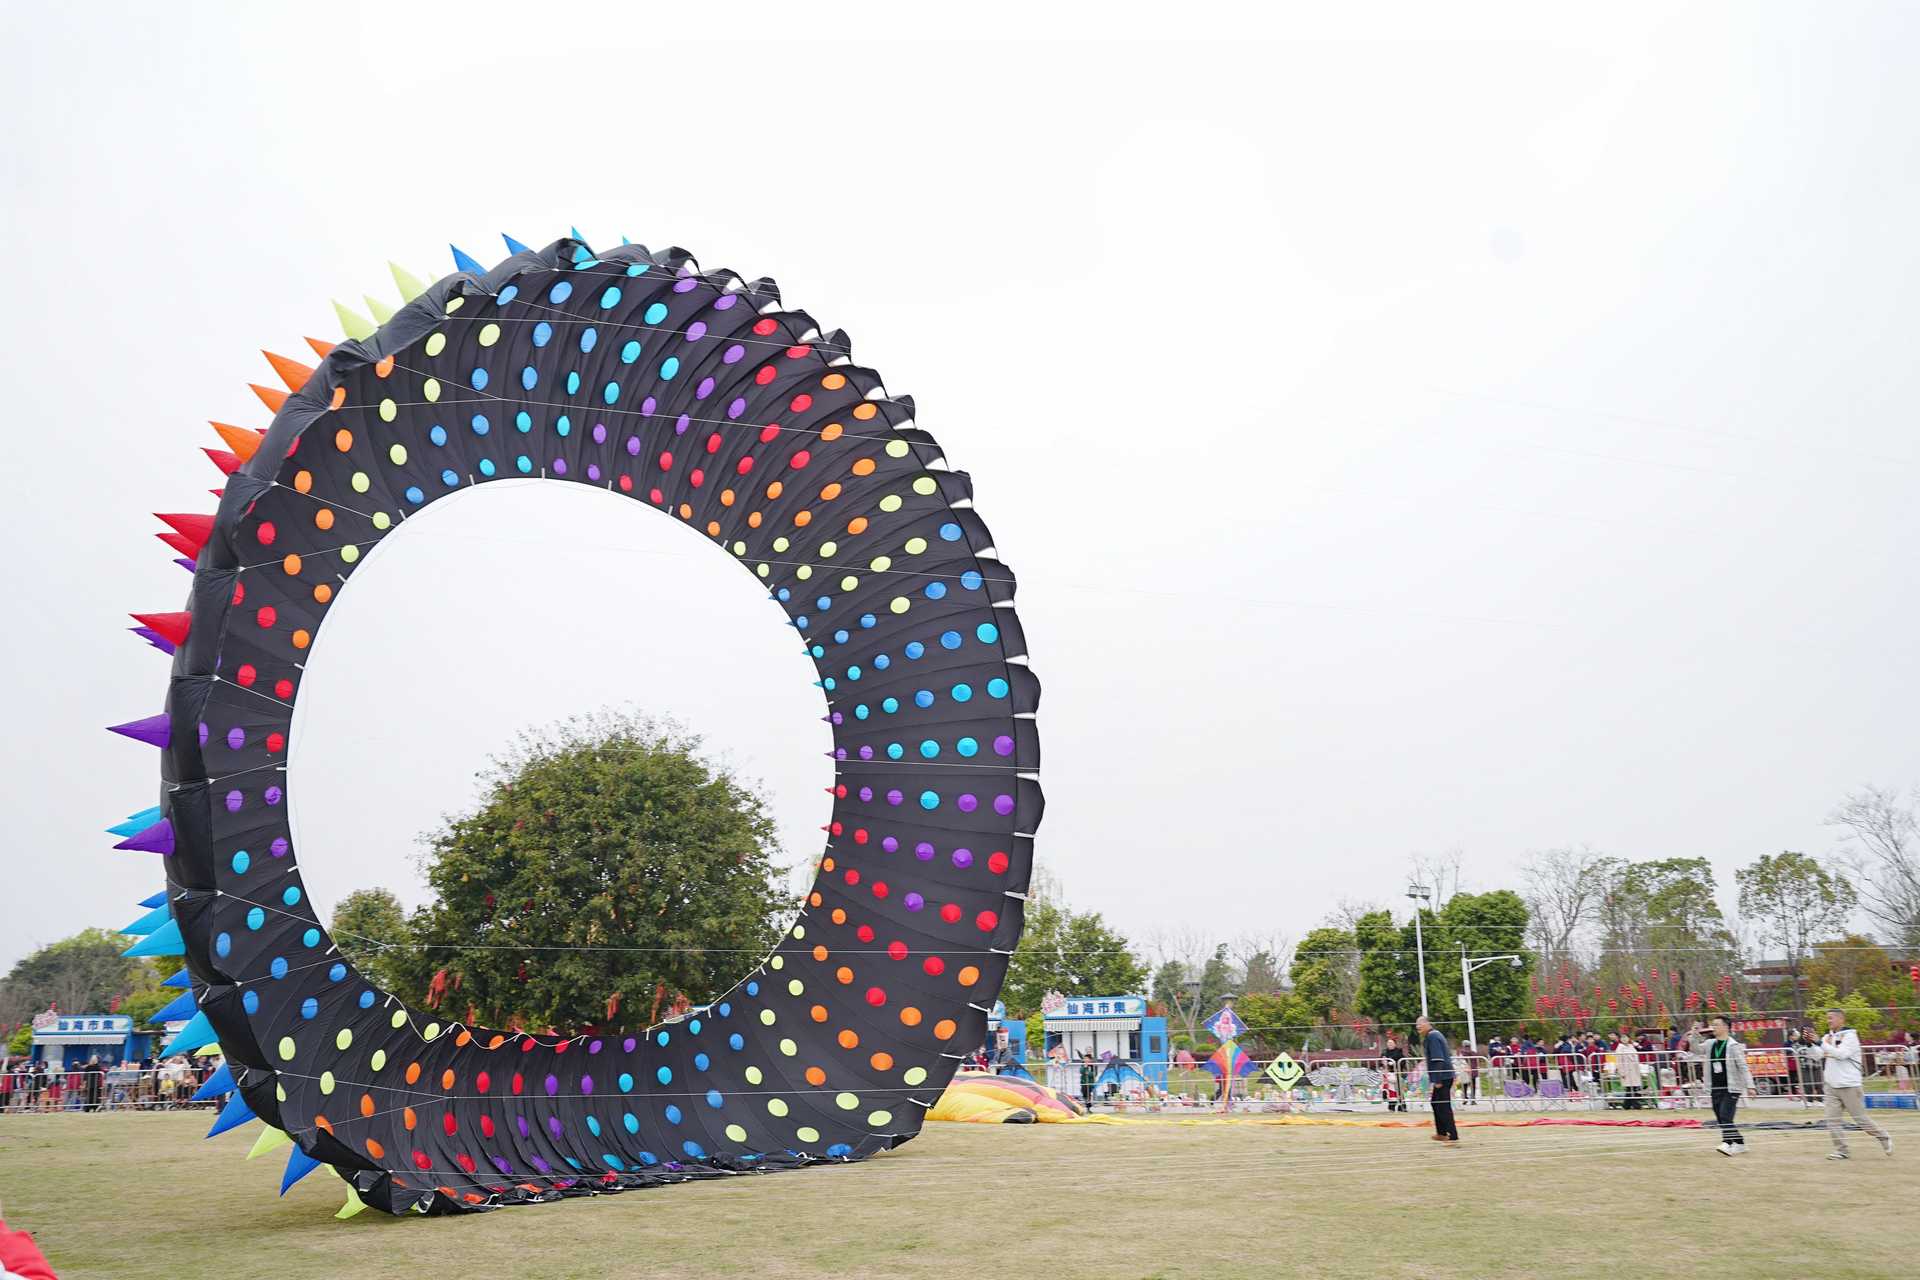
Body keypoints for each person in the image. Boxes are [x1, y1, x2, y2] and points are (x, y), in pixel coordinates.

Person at [1817, 1007, 1893, 1160]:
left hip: (1849, 1085)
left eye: (1831, 1018)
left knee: (1861, 1120)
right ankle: (1842, 1151)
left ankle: (1883, 1137)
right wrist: (1809, 1045)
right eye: (1827, 1018)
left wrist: (1820, 1043)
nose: (1828, 1021)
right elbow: (1818, 1055)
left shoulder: (1850, 1036)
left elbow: (1841, 1054)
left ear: (1841, 1019)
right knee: (1832, 1121)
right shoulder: (1827, 1037)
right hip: (1831, 1085)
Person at [1703, 1014, 1751, 1155]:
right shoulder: (1710, 1044)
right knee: (1720, 1117)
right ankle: (1740, 1143)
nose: (1713, 1027)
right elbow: (1696, 1049)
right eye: (1713, 1024)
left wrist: (1751, 1086)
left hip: (1731, 1087)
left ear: (1725, 1027)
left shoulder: (1733, 1046)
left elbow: (1743, 1066)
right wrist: (1693, 1035)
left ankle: (1727, 1143)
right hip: (1715, 1086)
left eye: (1716, 1024)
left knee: (1725, 1115)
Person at [1416, 1015, 1459, 1142]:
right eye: (1416, 1025)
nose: (1418, 1027)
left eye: (1420, 1024)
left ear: (1427, 1023)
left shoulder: (1433, 1037)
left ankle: (1451, 1134)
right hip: (1444, 1075)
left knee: (1443, 1105)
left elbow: (1438, 1059)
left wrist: (1438, 1080)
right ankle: (1442, 1132)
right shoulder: (1433, 1035)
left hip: (1443, 1076)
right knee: (1436, 1103)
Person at [1381, 1033, 1407, 1112]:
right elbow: (1380, 1061)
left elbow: (1402, 1062)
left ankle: (1402, 1106)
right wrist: (1383, 1063)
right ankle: (1391, 1106)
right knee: (1390, 1091)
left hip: (1397, 1073)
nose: (1390, 1044)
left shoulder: (1399, 1052)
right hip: (1388, 1074)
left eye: (1391, 1043)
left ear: (1395, 1044)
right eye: (1388, 1043)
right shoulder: (1384, 1052)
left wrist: (1393, 1063)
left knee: (1399, 1090)